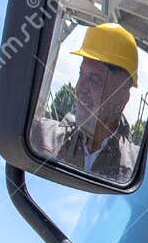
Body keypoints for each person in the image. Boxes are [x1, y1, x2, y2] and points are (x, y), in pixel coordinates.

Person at [29, 22, 141, 183]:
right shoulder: (42, 135)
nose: (79, 87)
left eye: (95, 79)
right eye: (81, 74)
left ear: (122, 100)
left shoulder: (137, 169)